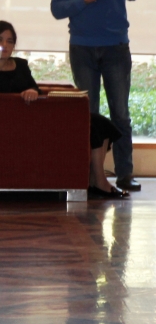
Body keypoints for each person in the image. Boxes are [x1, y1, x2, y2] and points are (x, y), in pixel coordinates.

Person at [51, 0, 142, 193]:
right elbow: (57, 9)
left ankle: (125, 174)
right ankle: (91, 175)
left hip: (115, 47)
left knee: (120, 113)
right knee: (88, 115)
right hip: (82, 48)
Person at [0, 21, 128, 199]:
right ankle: (96, 181)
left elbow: (34, 89)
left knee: (99, 123)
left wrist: (31, 91)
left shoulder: (20, 65)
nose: (4, 46)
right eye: (1, 40)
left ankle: (98, 180)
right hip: (11, 128)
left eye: (10, 41)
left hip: (36, 119)